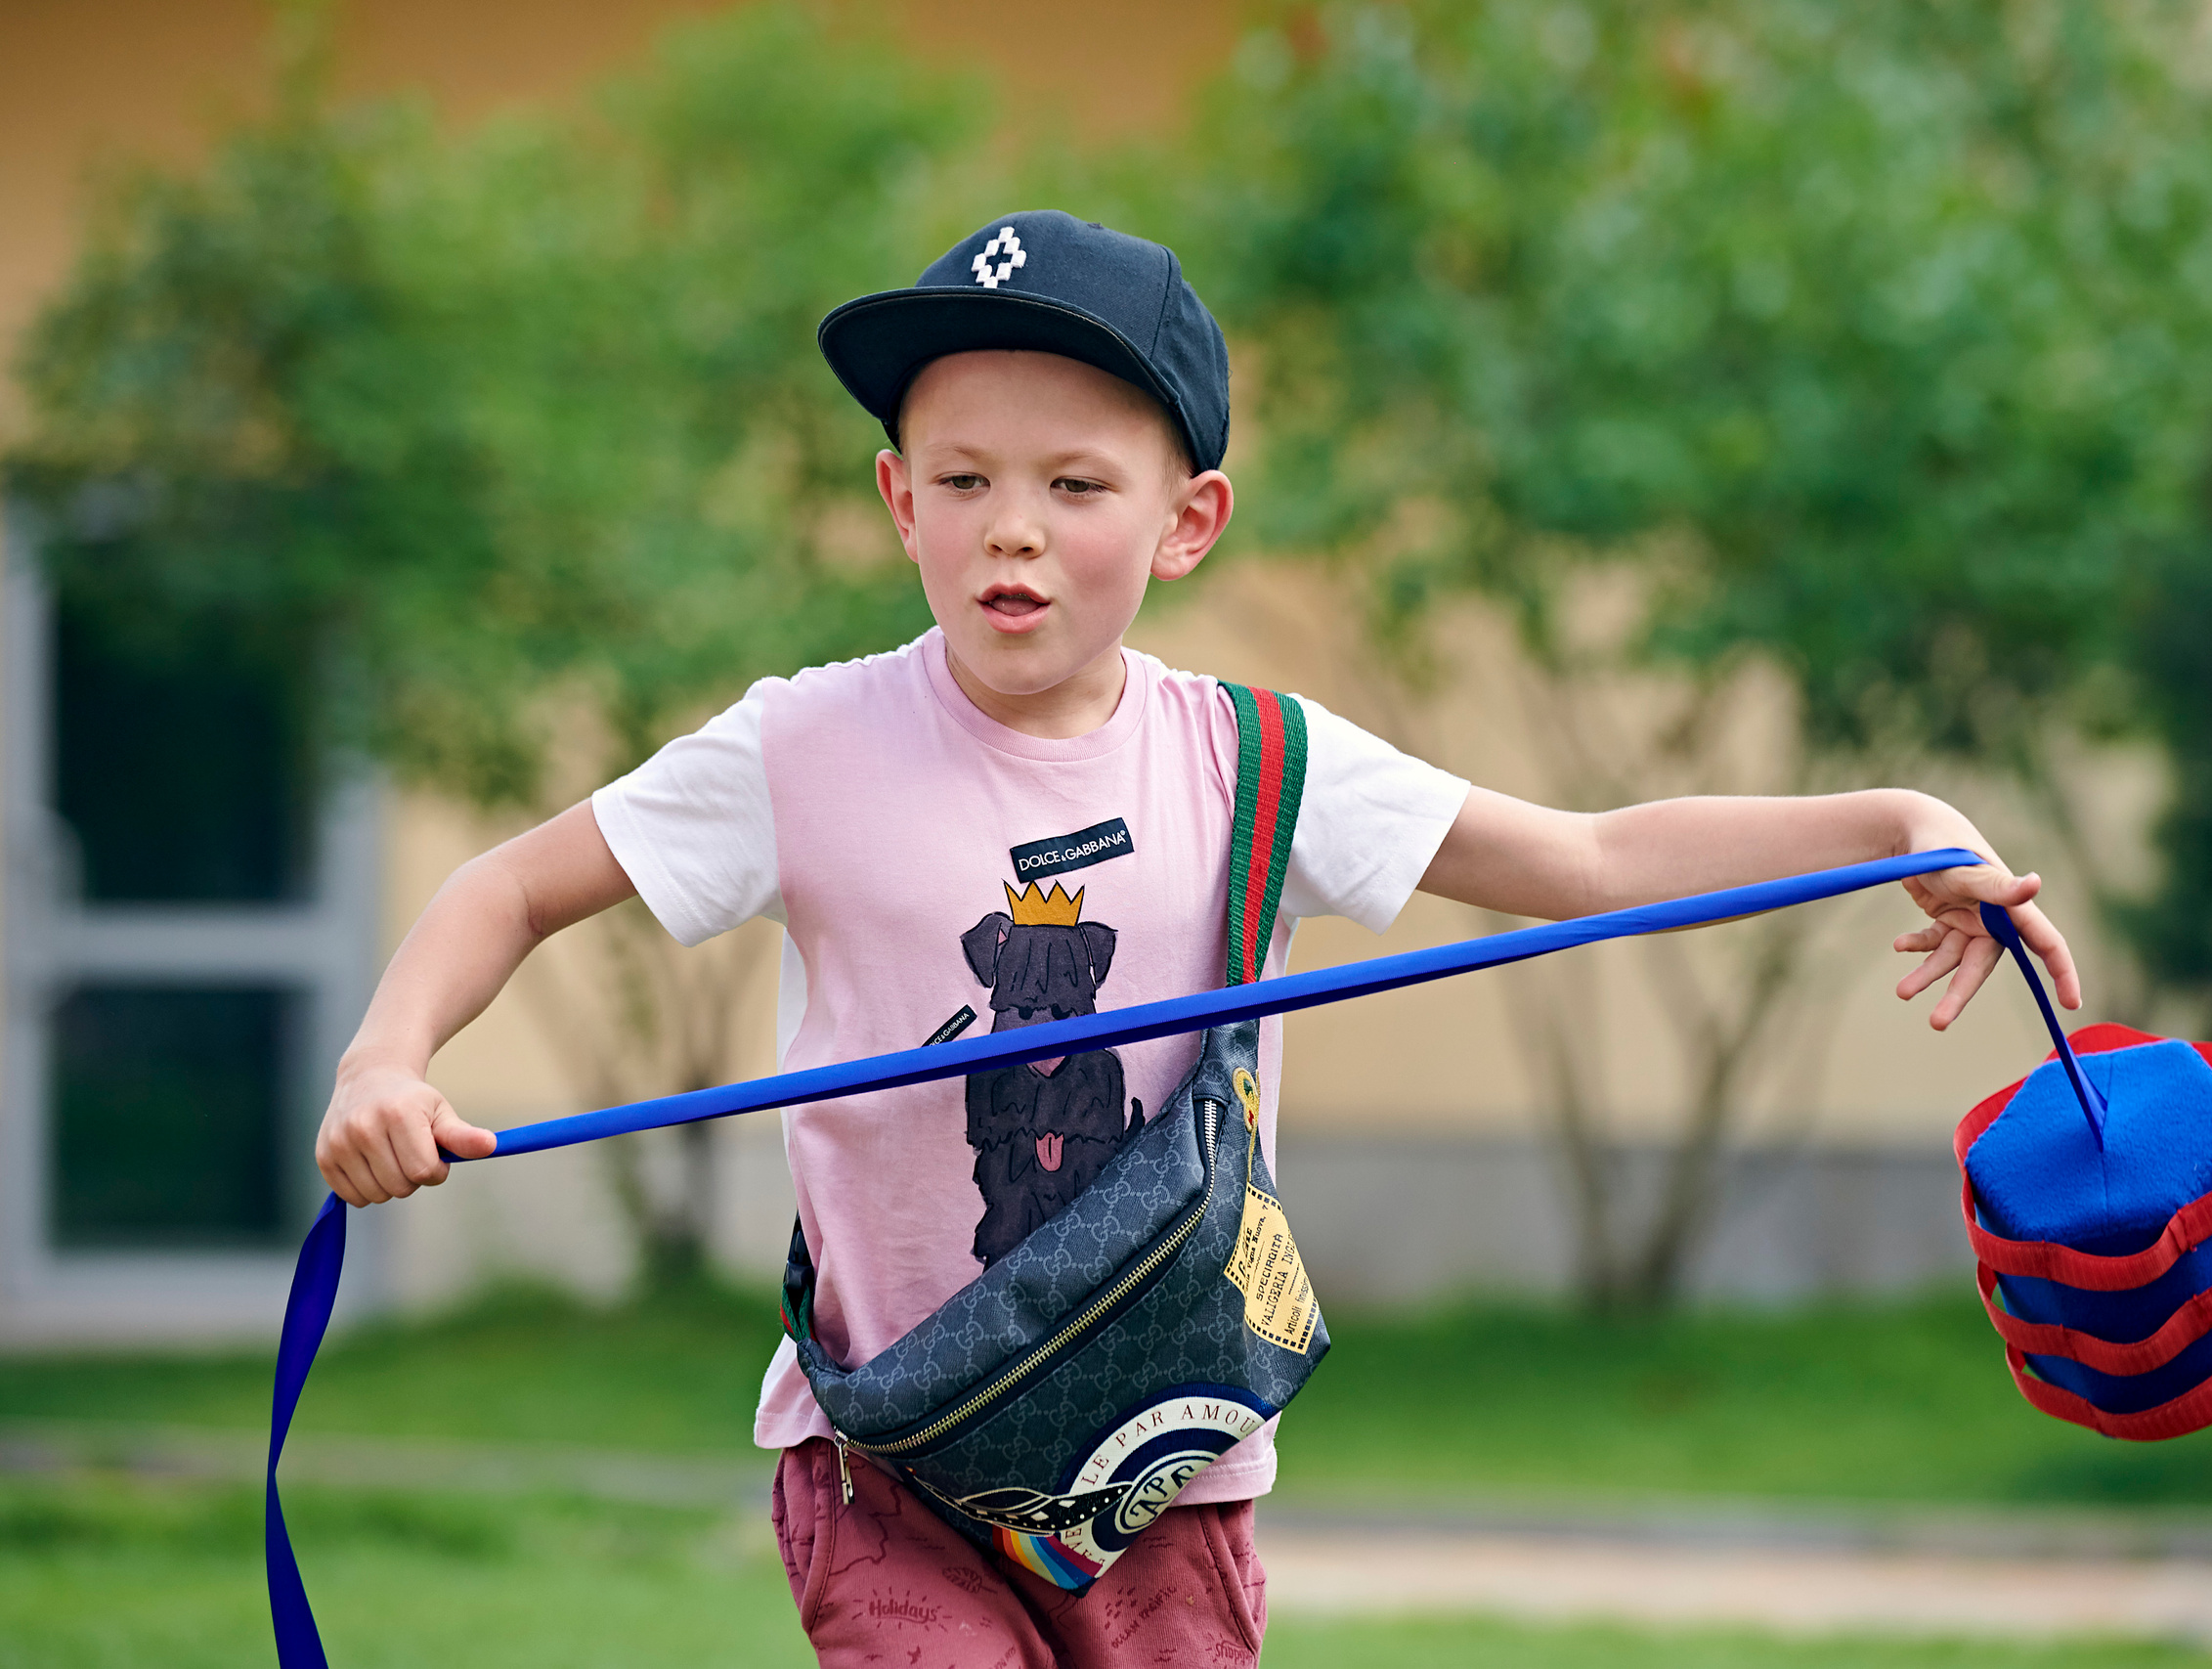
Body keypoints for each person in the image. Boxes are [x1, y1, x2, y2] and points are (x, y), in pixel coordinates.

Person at [314, 211, 2079, 1667]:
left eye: (1078, 486)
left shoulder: (1261, 764)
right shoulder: (801, 748)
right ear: (895, 502)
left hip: (1168, 1462)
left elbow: (1598, 854)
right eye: (966, 478)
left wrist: (1894, 828)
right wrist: (391, 1058)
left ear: (1187, 522)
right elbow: (509, 888)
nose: (1014, 526)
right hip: (892, 1459)